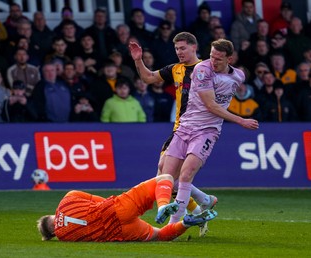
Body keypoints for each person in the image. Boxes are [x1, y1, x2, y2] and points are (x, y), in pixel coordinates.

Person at [158, 39, 259, 225]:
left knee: (187, 174)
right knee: (168, 179)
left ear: (229, 58)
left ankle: (172, 226)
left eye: (218, 59)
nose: (213, 61)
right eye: (212, 56)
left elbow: (223, 96)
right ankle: (204, 202)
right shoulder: (202, 70)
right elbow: (211, 105)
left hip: (207, 131)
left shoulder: (238, 76)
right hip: (185, 127)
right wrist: (240, 120)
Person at [129, 32, 216, 236]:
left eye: (183, 48)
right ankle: (203, 202)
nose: (179, 52)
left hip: (199, 130)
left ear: (194, 47)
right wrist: (138, 60)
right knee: (166, 175)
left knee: (168, 176)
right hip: (179, 129)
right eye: (176, 49)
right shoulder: (175, 69)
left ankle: (186, 215)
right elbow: (148, 77)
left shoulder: (207, 68)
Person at [36, 174, 217, 242]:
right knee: (165, 178)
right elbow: (99, 199)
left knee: (160, 235)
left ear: (52, 233)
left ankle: (185, 223)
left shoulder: (65, 237)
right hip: (115, 209)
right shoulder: (66, 199)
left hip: (118, 232)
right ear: (51, 215)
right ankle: (163, 205)